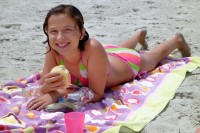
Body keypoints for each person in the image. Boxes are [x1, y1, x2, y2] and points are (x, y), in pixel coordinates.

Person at [26, 4, 191, 111]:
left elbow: (96, 93)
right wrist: (47, 86)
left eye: (67, 30)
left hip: (124, 63)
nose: (60, 37)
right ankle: (138, 35)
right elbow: (43, 87)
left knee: (151, 59)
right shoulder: (53, 49)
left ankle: (175, 40)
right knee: (115, 48)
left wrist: (56, 95)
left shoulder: (93, 47)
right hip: (105, 55)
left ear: (81, 33)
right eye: (54, 31)